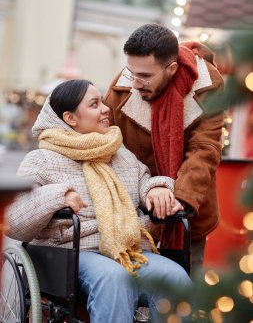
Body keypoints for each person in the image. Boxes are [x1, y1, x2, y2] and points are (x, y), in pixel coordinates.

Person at [6, 79, 191, 323]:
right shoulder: (42, 159)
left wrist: (155, 189)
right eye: (95, 104)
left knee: (176, 279)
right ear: (71, 118)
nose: (106, 109)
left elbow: (143, 180)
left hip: (126, 250)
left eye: (102, 101)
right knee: (114, 278)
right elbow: (15, 220)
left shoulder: (120, 154)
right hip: (70, 254)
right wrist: (58, 195)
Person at [104, 23, 224, 274]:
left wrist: (178, 199)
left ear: (171, 69)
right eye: (131, 72)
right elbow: (106, 142)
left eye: (145, 76)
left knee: (187, 295)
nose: (136, 83)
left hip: (187, 212)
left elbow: (205, 148)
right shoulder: (122, 87)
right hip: (133, 210)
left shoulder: (207, 85)